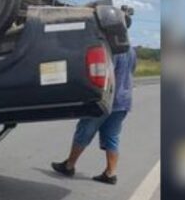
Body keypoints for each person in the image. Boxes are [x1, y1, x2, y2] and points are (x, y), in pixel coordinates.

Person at [50, 48, 137, 184]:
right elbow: (131, 71)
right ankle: (110, 173)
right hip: (124, 99)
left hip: (107, 98)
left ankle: (69, 165)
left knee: (84, 131)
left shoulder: (111, 50)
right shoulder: (130, 50)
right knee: (112, 137)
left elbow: (105, 74)